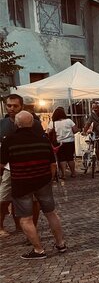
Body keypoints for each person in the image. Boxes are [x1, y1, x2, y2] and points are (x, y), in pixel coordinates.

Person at [0, 111, 66, 259]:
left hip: (21, 183)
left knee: (26, 218)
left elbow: (2, 164)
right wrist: (48, 178)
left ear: (16, 124)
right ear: (32, 123)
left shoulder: (9, 140)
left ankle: (38, 250)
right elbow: (53, 163)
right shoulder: (43, 139)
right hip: (43, 182)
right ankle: (61, 244)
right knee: (51, 213)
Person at [0, 94, 43, 236]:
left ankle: (29, 228)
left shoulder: (34, 123)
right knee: (3, 198)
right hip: (8, 168)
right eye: (9, 105)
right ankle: (1, 226)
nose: (11, 108)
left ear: (22, 106)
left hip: (30, 168)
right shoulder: (2, 124)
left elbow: (42, 144)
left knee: (33, 200)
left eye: (15, 106)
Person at [46, 107, 79, 179]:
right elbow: (76, 130)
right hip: (70, 141)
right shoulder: (69, 121)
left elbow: (48, 132)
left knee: (62, 158)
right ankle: (73, 173)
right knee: (70, 157)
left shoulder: (53, 123)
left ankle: (64, 174)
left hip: (59, 143)